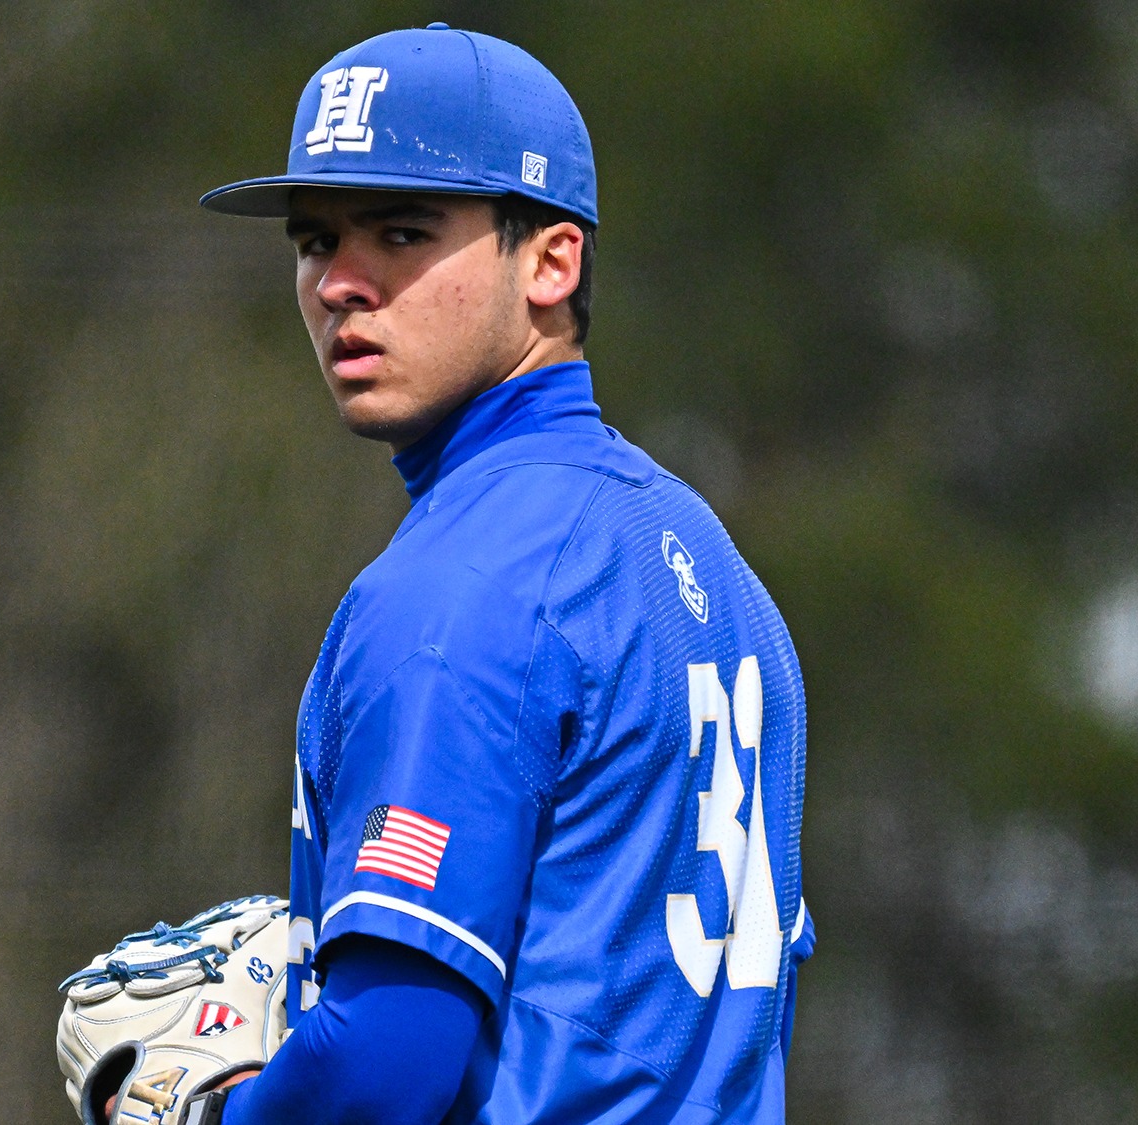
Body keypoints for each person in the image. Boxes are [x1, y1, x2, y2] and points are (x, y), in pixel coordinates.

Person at [189, 23, 813, 1125]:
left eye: (400, 229)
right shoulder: (712, 570)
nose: (339, 282)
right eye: (311, 240)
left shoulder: (464, 587)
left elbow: (389, 1057)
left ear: (551, 261)